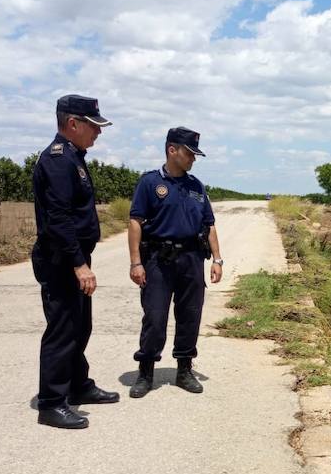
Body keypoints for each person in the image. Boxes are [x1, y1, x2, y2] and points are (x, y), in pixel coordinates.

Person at [32, 95, 120, 429]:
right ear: (73, 124)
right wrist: (78, 264)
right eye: (93, 126)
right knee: (63, 329)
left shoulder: (74, 158)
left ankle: (77, 385)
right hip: (61, 260)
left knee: (80, 326)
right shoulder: (57, 160)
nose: (98, 133)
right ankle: (52, 403)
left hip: (74, 257)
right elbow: (59, 218)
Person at [127, 127, 223, 398]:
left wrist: (217, 259)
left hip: (192, 259)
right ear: (172, 150)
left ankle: (184, 369)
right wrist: (136, 263)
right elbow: (135, 222)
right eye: (189, 153)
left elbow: (209, 224)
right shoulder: (149, 183)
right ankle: (145, 372)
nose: (193, 158)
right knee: (155, 318)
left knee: (190, 315)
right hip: (159, 260)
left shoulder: (196, 186)